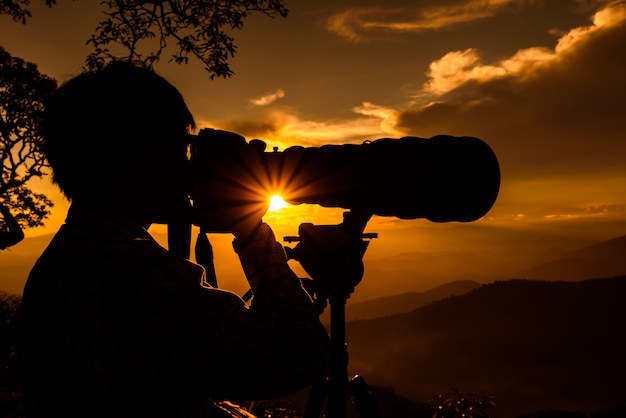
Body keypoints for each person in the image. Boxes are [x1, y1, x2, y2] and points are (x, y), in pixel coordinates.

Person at [19, 61, 329, 417]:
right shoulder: (141, 274)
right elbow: (301, 357)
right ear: (141, 149)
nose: (188, 168)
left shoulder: (53, 267)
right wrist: (249, 226)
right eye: (181, 146)